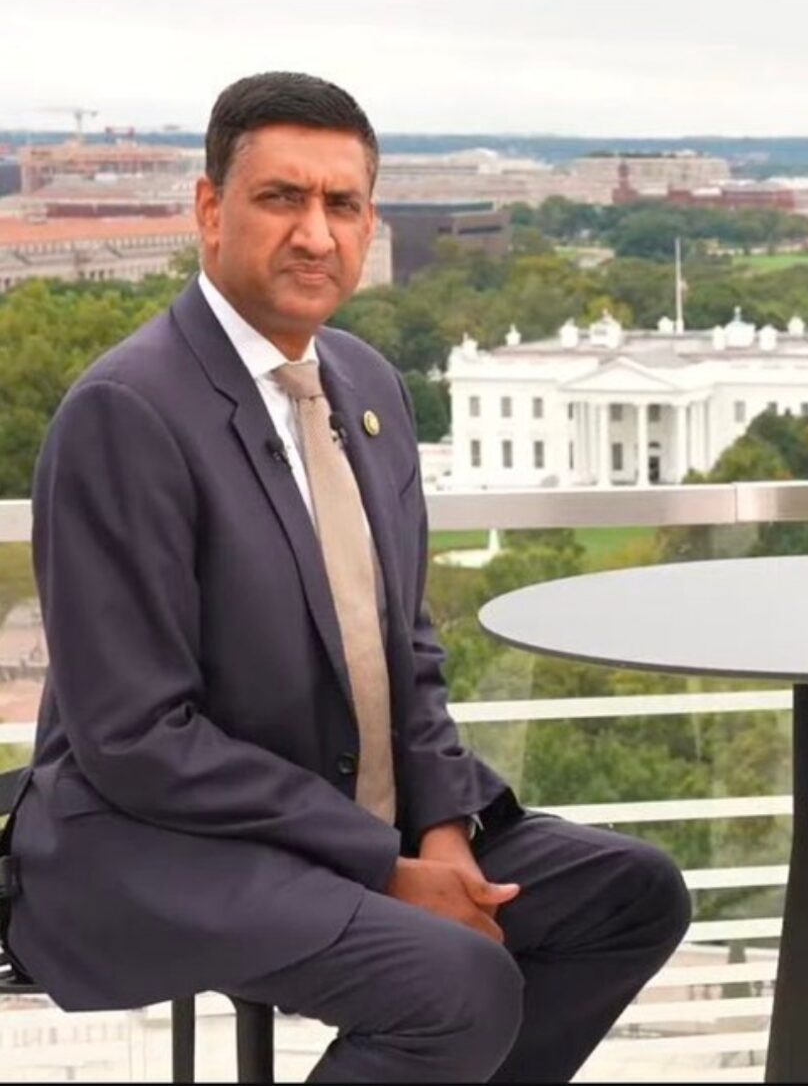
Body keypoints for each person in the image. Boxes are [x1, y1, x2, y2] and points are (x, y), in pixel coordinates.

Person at [2, 72, 691, 1082]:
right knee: (459, 983)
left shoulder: (364, 383)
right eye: (282, 198)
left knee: (633, 894)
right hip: (165, 843)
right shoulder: (128, 412)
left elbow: (405, 645)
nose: (315, 233)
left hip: (367, 821)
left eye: (343, 204)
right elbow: (136, 738)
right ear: (209, 210)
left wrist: (446, 830)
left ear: (370, 224)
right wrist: (383, 867)